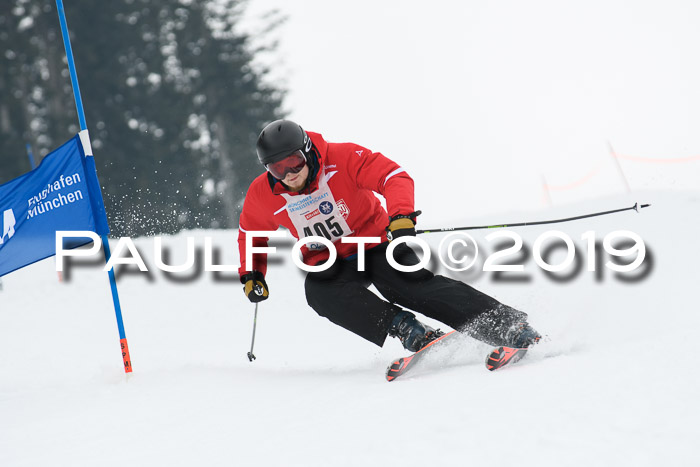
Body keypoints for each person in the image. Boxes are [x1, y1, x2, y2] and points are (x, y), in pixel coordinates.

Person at [237, 119, 541, 353]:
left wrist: (401, 217)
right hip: (330, 260)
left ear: (307, 151)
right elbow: (251, 233)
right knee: (319, 292)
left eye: (294, 162)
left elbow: (393, 176)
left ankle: (508, 326)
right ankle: (405, 327)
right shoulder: (263, 194)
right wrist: (252, 274)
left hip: (375, 244)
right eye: (277, 168)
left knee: (407, 286)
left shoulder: (342, 158)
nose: (289, 174)